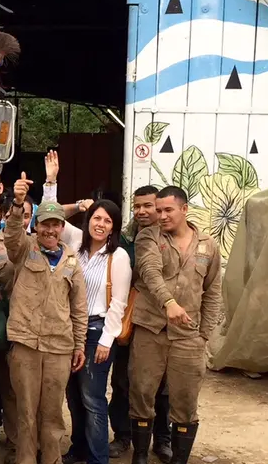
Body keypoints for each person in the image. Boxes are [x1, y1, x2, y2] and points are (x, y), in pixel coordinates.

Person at [129, 186, 222, 464]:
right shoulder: (148, 237)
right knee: (142, 392)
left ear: (184, 209)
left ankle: (179, 459)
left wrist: (204, 334)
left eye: (168, 210)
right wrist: (168, 302)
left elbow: (213, 291)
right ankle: (141, 456)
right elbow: (150, 271)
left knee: (185, 400)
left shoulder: (207, 245)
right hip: (150, 330)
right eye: (159, 210)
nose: (162, 215)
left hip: (189, 336)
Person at [3, 173, 87, 464]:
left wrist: (80, 345)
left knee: (52, 416)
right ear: (35, 226)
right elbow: (11, 235)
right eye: (45, 224)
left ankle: (52, 460)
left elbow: (79, 309)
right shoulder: (25, 250)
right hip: (25, 344)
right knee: (25, 413)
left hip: (59, 349)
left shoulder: (72, 262)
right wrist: (17, 203)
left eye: (55, 224)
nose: (50, 230)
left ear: (62, 228)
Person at [62, 200, 131, 464]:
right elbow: (50, 212)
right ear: (88, 218)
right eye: (96, 218)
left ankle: (97, 458)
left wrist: (106, 340)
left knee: (92, 398)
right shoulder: (77, 243)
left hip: (97, 331)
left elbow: (119, 303)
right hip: (70, 329)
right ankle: (78, 448)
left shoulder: (119, 256)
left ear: (114, 227)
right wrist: (54, 183)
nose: (100, 224)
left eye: (107, 221)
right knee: (74, 397)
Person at [109, 185, 172, 462]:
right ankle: (123, 436)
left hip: (161, 324)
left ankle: (163, 439)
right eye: (137, 206)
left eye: (149, 205)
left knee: (162, 386)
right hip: (129, 321)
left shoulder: (174, 238)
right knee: (123, 381)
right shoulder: (124, 239)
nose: (142, 211)